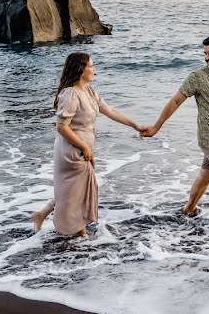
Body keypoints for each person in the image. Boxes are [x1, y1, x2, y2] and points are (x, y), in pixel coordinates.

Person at [32, 52, 143, 236]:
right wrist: (84, 146)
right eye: (91, 66)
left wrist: (135, 125)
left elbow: (109, 110)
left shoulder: (89, 92)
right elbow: (61, 127)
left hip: (83, 149)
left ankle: (42, 215)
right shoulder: (70, 94)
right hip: (71, 150)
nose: (94, 70)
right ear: (80, 68)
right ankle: (78, 230)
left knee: (75, 190)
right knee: (74, 191)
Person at [141, 36, 209, 219]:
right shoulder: (197, 78)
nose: (207, 58)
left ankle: (188, 209)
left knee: (207, 175)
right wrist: (156, 127)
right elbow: (175, 101)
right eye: (205, 54)